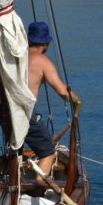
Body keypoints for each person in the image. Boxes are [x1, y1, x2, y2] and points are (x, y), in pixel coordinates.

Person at [26, 21, 80, 181]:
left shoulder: (14, 57)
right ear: (45, 43)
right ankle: (40, 184)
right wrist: (77, 100)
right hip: (24, 114)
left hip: (5, 114)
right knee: (48, 151)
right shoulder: (43, 62)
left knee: (15, 146)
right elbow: (63, 92)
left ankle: (14, 182)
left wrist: (1, 110)